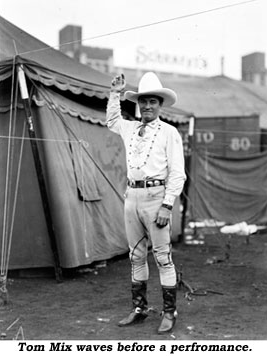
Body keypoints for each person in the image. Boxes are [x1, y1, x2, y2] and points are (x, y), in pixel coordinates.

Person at [106, 72, 186, 334]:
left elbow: (177, 173)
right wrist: (115, 93)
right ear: (138, 104)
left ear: (160, 104)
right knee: (136, 255)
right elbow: (111, 121)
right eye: (143, 102)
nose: (148, 106)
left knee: (163, 257)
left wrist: (167, 205)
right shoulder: (129, 128)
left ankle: (169, 312)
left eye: (152, 101)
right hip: (132, 197)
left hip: (156, 197)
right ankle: (139, 309)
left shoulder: (169, 132)